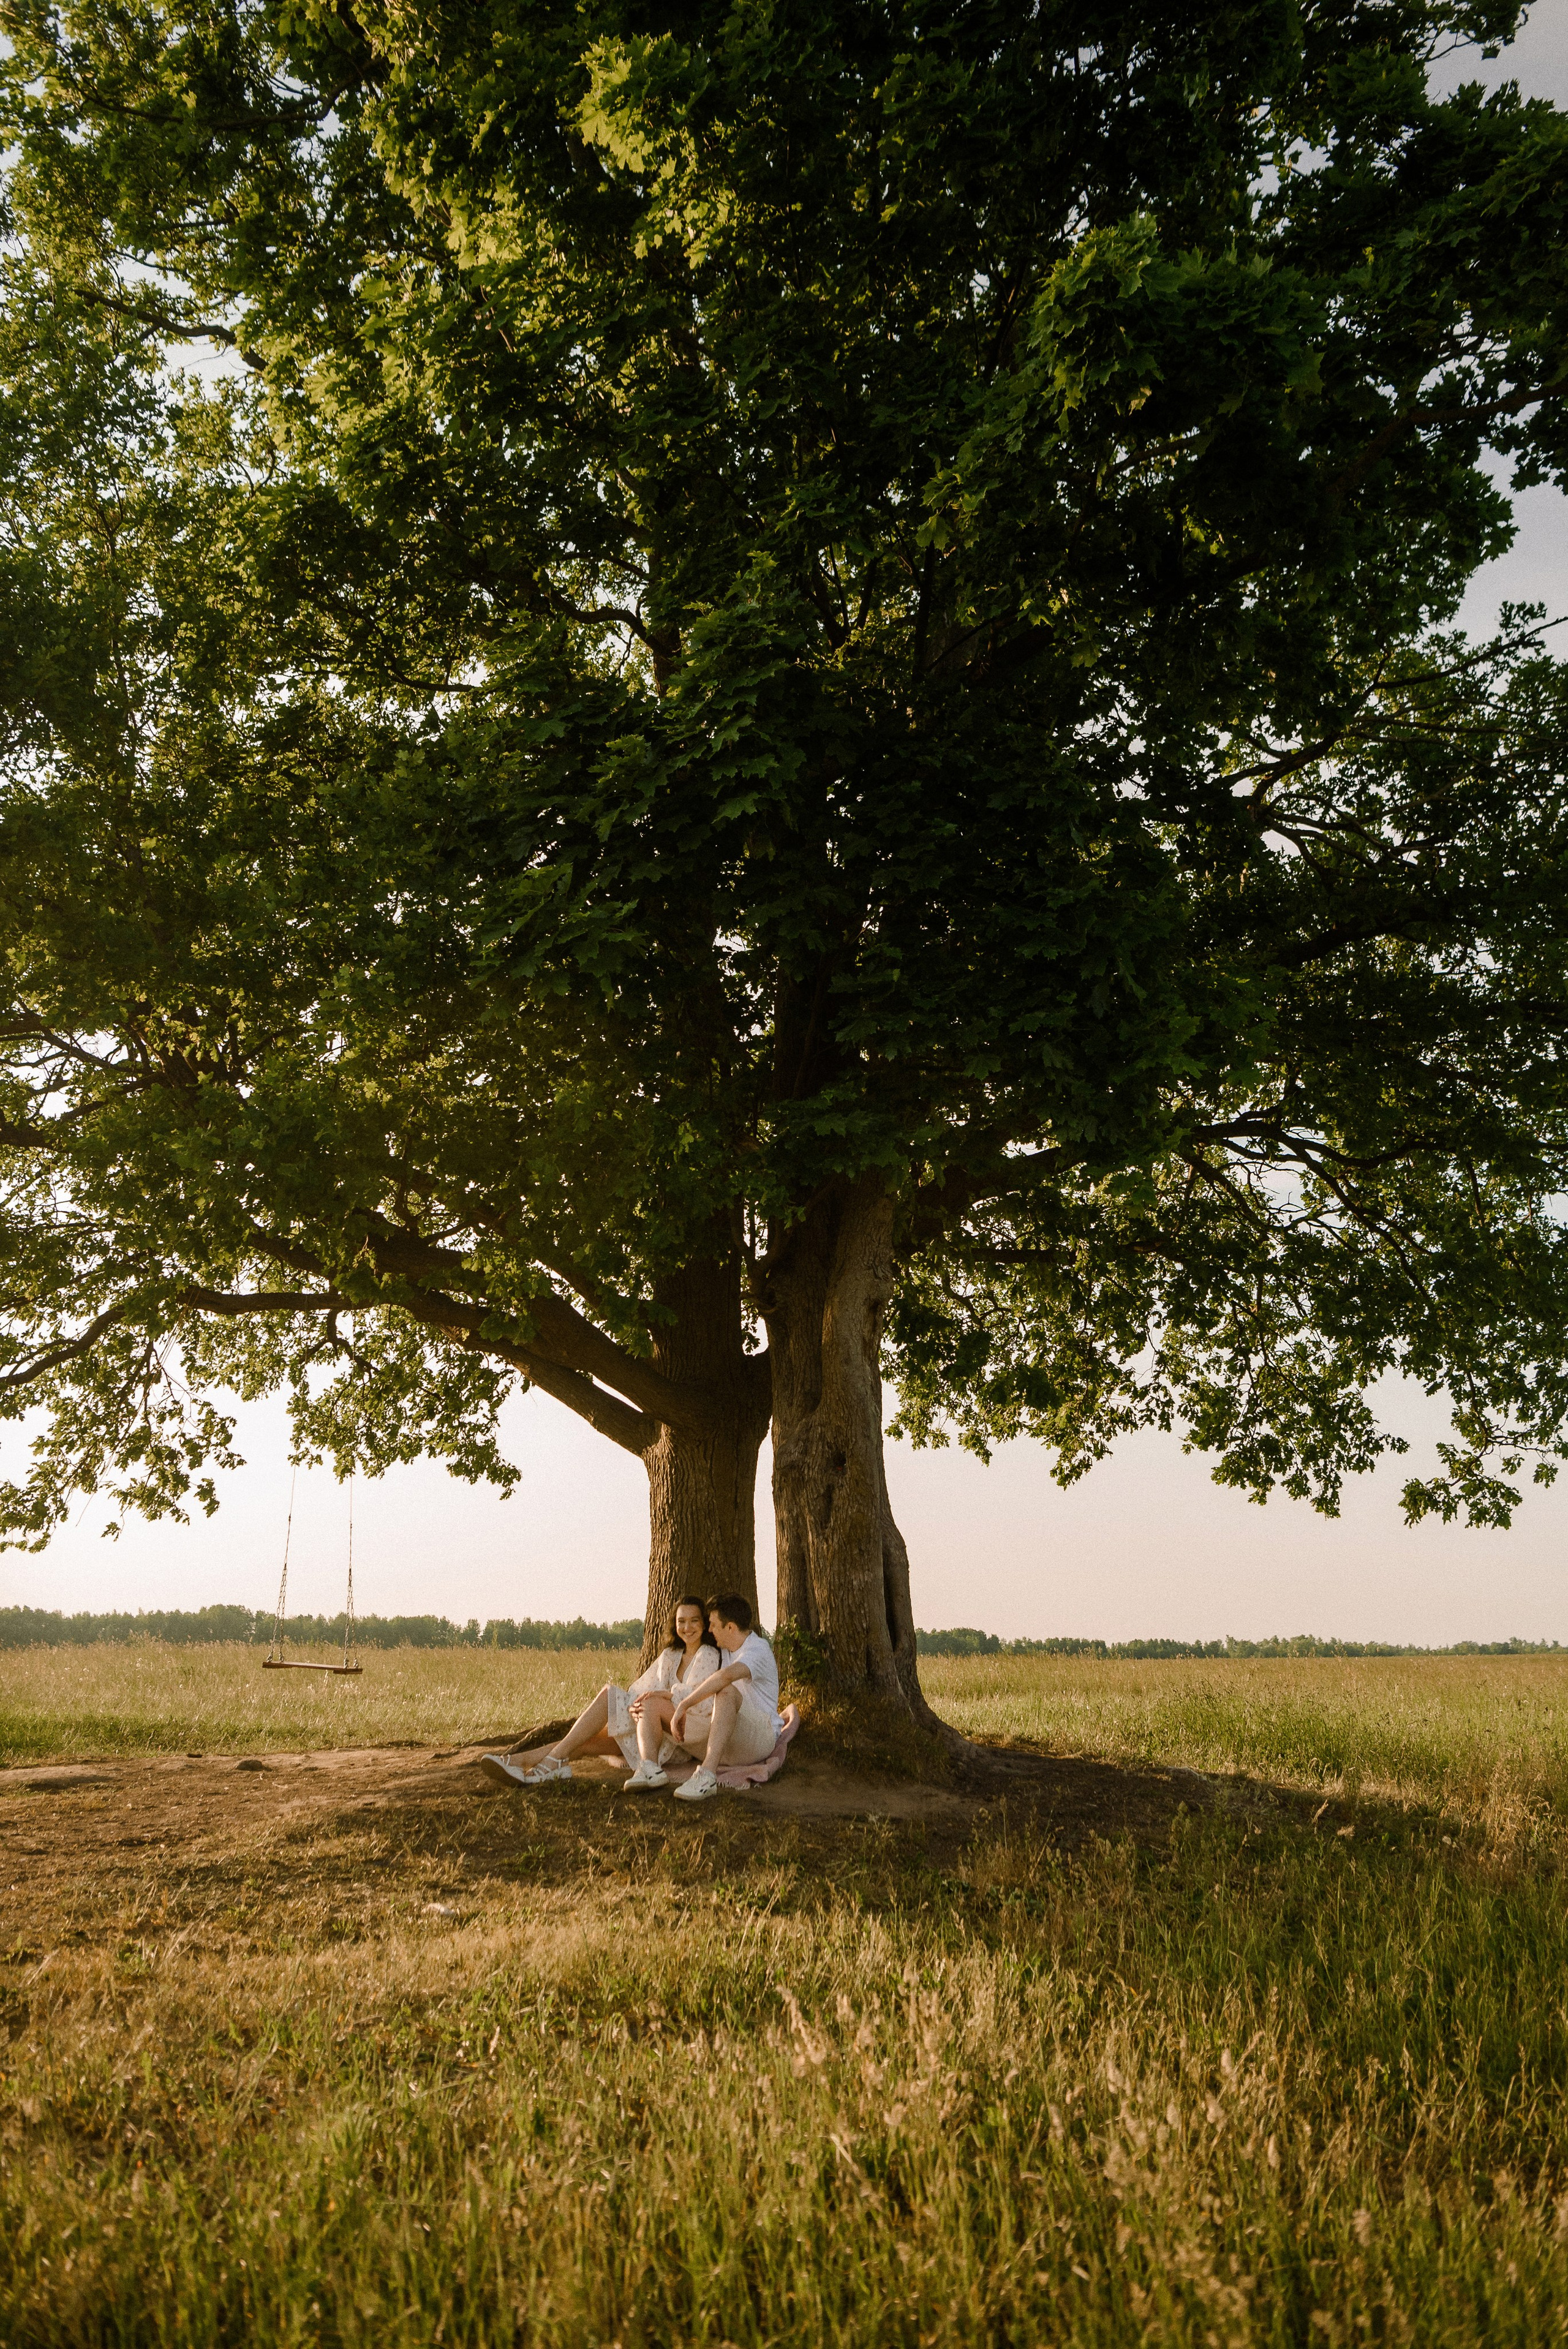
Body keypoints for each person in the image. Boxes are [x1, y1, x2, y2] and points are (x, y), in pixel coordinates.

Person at [478, 1597, 720, 1791]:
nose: (687, 1628)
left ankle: (544, 1762)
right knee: (587, 1739)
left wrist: (661, 1696)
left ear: (704, 1623)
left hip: (677, 1739)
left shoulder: (708, 1654)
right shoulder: (670, 1655)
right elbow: (642, 1688)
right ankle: (523, 1762)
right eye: (681, 1621)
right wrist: (636, 1704)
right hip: (649, 1729)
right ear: (674, 1624)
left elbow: (698, 1699)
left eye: (694, 1621)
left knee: (612, 1697)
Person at [667, 1593, 783, 1803]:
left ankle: (706, 1776)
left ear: (730, 1627)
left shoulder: (757, 1649)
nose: (710, 1630)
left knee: (726, 1690)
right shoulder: (726, 1650)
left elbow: (725, 1677)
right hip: (733, 1737)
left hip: (760, 1738)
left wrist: (684, 1704)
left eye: (713, 1625)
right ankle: (648, 1766)